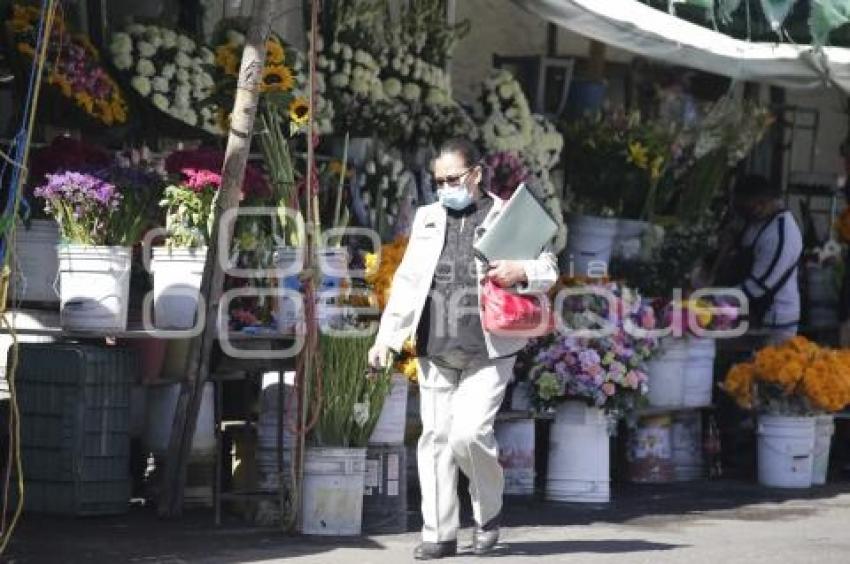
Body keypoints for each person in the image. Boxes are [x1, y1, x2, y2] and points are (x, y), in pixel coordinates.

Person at [367, 138, 558, 560]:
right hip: (435, 343)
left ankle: (488, 514)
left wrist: (519, 270)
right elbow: (408, 280)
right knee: (434, 439)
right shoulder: (428, 218)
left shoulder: (508, 214)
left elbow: (548, 269)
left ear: (476, 173)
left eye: (453, 179)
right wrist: (387, 339)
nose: (445, 188)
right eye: (438, 181)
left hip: (489, 346)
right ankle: (439, 533)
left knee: (468, 434)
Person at [713, 174, 803, 345]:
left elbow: (759, 285)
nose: (743, 214)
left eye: (747, 208)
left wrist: (714, 300)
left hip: (774, 321)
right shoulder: (754, 221)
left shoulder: (781, 233)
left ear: (763, 202)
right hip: (746, 312)